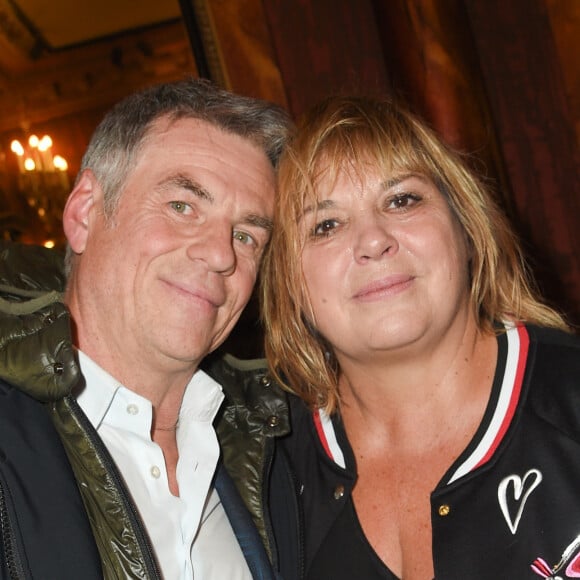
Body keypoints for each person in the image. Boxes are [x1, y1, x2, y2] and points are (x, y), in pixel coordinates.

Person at [261, 95, 580, 579]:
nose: (372, 240)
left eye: (401, 200)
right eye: (325, 225)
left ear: (467, 225)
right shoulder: (262, 471)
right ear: (286, 282)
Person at [0, 78, 292, 579]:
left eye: (246, 235)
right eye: (183, 207)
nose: (221, 254)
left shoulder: (276, 446)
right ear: (85, 211)